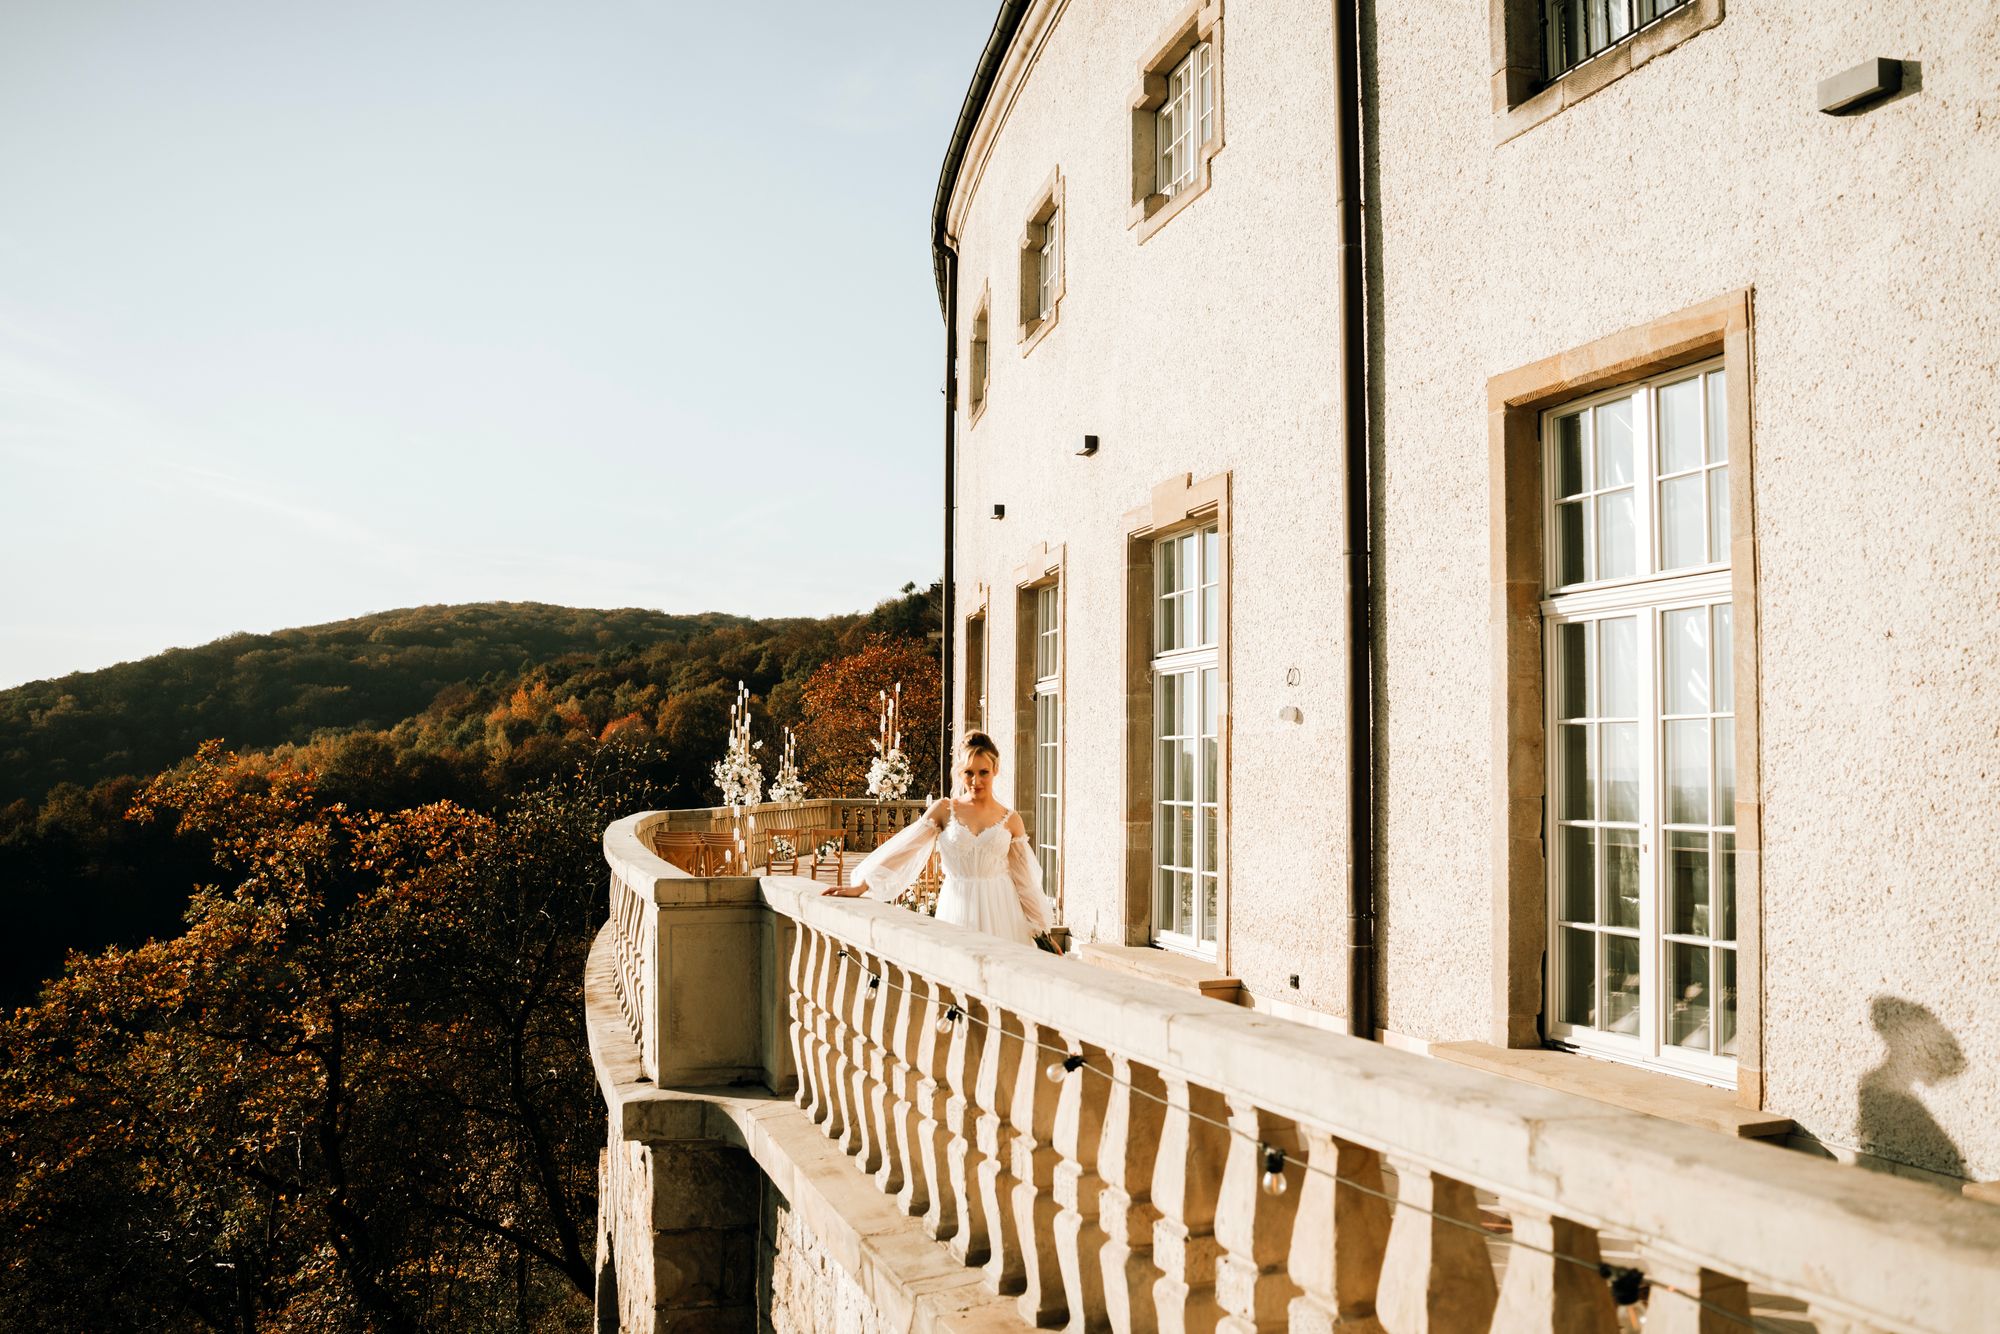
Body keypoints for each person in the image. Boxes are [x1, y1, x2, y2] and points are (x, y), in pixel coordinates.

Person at [823, 731, 1051, 946]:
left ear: (996, 770)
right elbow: (906, 849)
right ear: (960, 772)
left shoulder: (1011, 820)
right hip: (958, 907)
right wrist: (863, 885)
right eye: (969, 773)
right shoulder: (944, 810)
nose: (975, 781)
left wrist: (1043, 934)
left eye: (983, 772)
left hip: (1002, 909)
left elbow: (1025, 882)